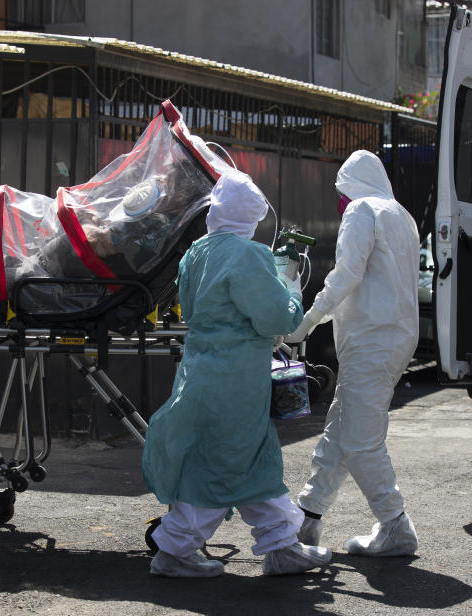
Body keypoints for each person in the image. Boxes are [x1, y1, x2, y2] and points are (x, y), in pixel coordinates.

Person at [141, 169, 333, 578]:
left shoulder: (196, 252)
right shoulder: (249, 255)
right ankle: (175, 549)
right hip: (238, 376)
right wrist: (289, 287)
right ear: (251, 215)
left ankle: (282, 543)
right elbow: (272, 319)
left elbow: (194, 310)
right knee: (228, 461)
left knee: (248, 458)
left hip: (200, 370)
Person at [284, 149, 420, 557]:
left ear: (350, 185)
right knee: (341, 430)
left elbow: (346, 274)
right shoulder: (401, 214)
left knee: (360, 441)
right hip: (393, 338)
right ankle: (307, 517)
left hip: (370, 340)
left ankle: (395, 524)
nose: (340, 200)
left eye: (340, 190)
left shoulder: (362, 210)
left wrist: (307, 320)